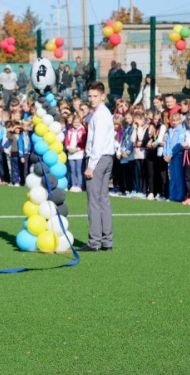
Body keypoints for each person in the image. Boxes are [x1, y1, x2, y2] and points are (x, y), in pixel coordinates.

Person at [79, 81, 115, 252]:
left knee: (94, 201)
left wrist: (91, 165)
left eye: (95, 96)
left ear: (103, 96)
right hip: (107, 157)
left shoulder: (100, 114)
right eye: (90, 96)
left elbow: (98, 142)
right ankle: (106, 241)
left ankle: (94, 242)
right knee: (103, 200)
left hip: (99, 159)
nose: (92, 99)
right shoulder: (103, 113)